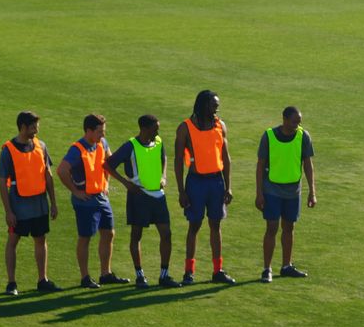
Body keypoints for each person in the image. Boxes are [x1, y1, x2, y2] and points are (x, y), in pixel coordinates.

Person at [103, 115, 181, 289]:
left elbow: (164, 157)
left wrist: (163, 176)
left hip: (158, 195)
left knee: (166, 234)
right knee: (136, 235)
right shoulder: (130, 145)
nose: (157, 132)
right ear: (144, 129)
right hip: (139, 196)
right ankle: (139, 275)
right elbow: (108, 165)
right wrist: (125, 183)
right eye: (155, 129)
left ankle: (164, 275)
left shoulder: (158, 141)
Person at [56, 113, 130, 289]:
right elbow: (61, 170)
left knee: (109, 233)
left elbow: (109, 164)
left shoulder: (102, 144)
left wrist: (106, 184)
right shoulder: (77, 149)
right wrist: (75, 191)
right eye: (99, 132)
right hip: (85, 200)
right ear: (88, 131)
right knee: (86, 237)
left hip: (101, 197)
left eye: (103, 131)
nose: (103, 135)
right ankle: (85, 277)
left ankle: (106, 274)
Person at [174, 90, 235, 285]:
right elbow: (177, 161)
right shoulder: (185, 128)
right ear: (203, 105)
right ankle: (188, 272)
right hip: (196, 182)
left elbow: (226, 157)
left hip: (216, 182)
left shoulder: (220, 125)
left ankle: (218, 270)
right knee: (194, 225)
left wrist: (228, 187)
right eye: (214, 105)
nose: (217, 108)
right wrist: (181, 191)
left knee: (215, 225)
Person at [0, 111, 62, 295]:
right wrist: (8, 211)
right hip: (18, 205)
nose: (36, 130)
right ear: (23, 127)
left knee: (41, 240)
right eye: (33, 127)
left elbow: (48, 175)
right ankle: (11, 283)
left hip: (39, 203)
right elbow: (2, 183)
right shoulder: (8, 150)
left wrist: (54, 203)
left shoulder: (41, 146)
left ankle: (43, 279)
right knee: (13, 241)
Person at [255, 106, 317, 282]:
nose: (297, 125)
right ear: (284, 119)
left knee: (289, 228)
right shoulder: (268, 136)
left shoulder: (303, 136)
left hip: (293, 191)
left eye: (299, 122)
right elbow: (260, 166)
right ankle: (267, 269)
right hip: (272, 190)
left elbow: (308, 165)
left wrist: (312, 191)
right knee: (272, 227)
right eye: (294, 121)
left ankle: (286, 266)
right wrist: (259, 193)